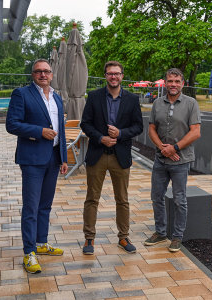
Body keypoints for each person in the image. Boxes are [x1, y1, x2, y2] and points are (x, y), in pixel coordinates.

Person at [6, 58, 68, 273]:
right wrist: (39, 131)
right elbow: (11, 124)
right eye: (38, 71)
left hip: (53, 157)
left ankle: (41, 243)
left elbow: (60, 128)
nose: (43, 75)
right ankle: (29, 252)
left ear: (52, 74)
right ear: (32, 74)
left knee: (46, 205)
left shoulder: (57, 98)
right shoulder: (22, 94)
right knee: (31, 207)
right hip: (32, 158)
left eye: (47, 71)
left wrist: (64, 158)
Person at [80, 61, 143, 255]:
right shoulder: (94, 96)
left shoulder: (132, 99)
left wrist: (121, 133)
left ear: (122, 76)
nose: (113, 77)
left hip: (120, 156)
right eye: (110, 74)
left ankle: (123, 237)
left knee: (122, 199)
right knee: (92, 198)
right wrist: (101, 138)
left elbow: (138, 126)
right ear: (105, 76)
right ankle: (89, 239)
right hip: (98, 154)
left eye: (117, 74)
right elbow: (85, 124)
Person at [144, 68, 201, 252]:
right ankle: (160, 233)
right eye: (170, 81)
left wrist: (174, 148)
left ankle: (177, 237)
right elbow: (151, 128)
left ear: (182, 83)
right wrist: (163, 148)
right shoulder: (157, 103)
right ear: (165, 83)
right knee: (156, 197)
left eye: (177, 81)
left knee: (179, 200)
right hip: (160, 159)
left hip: (181, 160)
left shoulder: (191, 104)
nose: (173, 84)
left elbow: (196, 132)